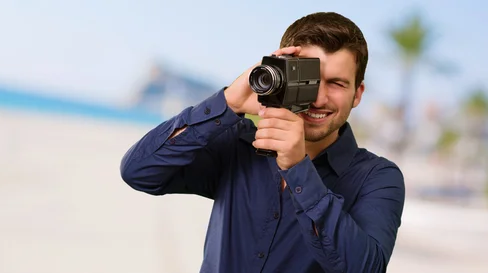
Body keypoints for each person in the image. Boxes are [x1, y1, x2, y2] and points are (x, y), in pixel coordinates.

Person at [120, 11, 406, 273]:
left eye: (337, 83)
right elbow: (139, 171)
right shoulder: (237, 144)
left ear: (357, 94)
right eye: (309, 79)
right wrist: (227, 102)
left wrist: (297, 167)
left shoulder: (378, 177)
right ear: (282, 74)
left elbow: (365, 268)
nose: (319, 98)